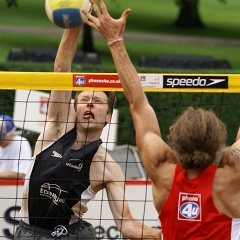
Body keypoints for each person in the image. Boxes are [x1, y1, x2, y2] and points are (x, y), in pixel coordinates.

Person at [83, 0, 240, 239]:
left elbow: (137, 102)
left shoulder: (162, 170)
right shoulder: (231, 175)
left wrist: (115, 41)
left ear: (175, 141)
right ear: (218, 141)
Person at [14, 25, 161, 239]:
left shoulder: (108, 167)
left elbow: (126, 223)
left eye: (98, 101)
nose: (90, 103)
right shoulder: (56, 129)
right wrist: (74, 23)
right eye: (84, 99)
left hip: (68, 235)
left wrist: (163, 235)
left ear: (108, 116)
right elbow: (61, 70)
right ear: (75, 109)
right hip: (28, 232)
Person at [0, 114, 32, 179]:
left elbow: (19, 174)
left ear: (11, 133)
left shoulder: (21, 143)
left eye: (2, 137)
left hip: (14, 187)